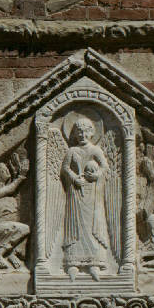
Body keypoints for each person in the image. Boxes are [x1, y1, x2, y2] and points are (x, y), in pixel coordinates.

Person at [60, 118, 110, 281]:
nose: (82, 135)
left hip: (93, 194)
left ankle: (93, 263)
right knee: (75, 225)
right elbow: (65, 168)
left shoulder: (95, 150)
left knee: (92, 225)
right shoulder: (72, 151)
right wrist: (74, 178)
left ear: (91, 133)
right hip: (75, 192)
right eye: (78, 132)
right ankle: (73, 263)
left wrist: (96, 175)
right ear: (74, 134)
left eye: (85, 131)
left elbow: (104, 167)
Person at [0, 154, 30, 269]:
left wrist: (15, 173)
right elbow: (10, 189)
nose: (7, 172)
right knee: (25, 229)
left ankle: (12, 253)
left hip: (6, 225)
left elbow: (10, 189)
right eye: (5, 170)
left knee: (26, 229)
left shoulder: (2, 189)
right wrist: (21, 176)